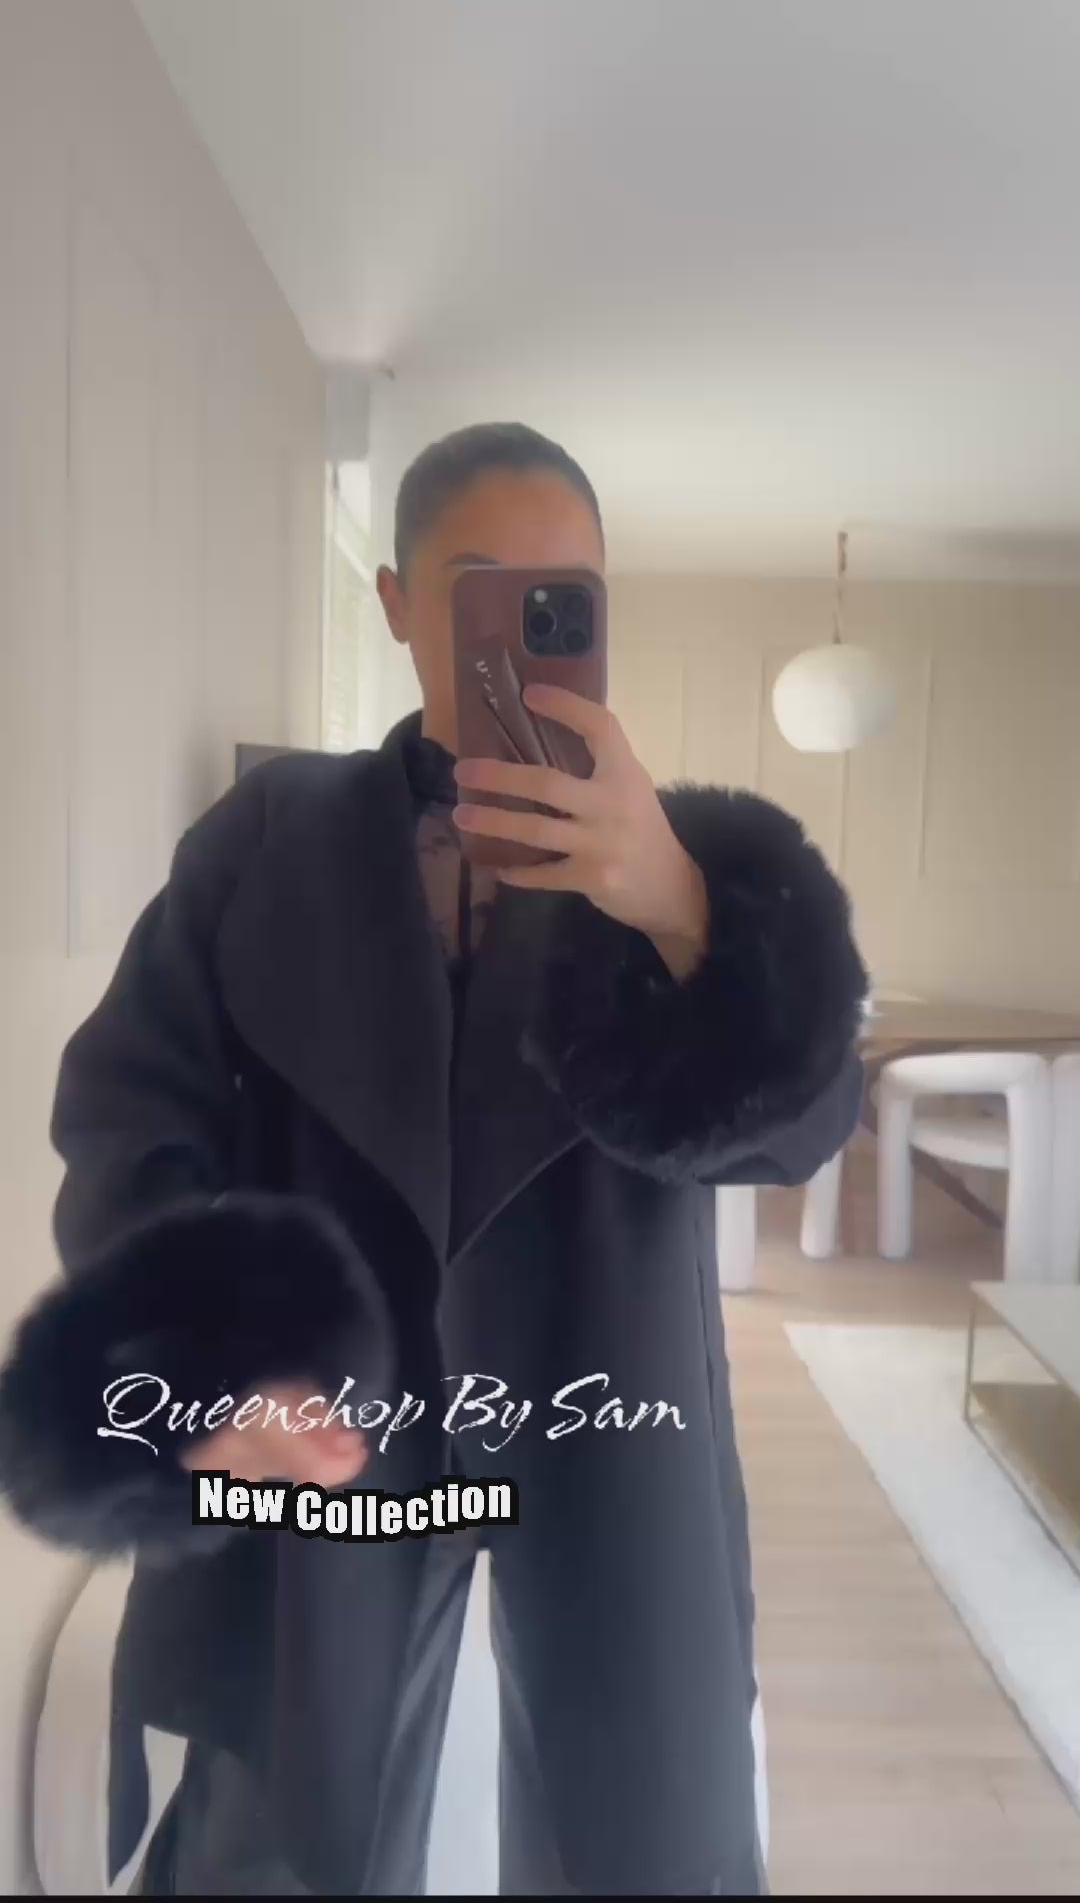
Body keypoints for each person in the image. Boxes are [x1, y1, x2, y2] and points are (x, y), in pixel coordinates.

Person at [0, 424, 866, 1896]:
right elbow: (129, 1110)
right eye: (483, 587)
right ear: (401, 605)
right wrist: (214, 1364)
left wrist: (677, 909)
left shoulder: (692, 867)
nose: (524, 634)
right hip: (338, 1410)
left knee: (636, 1814)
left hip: (601, 1391)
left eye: (564, 597)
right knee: (280, 1820)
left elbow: (805, 1130)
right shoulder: (268, 838)